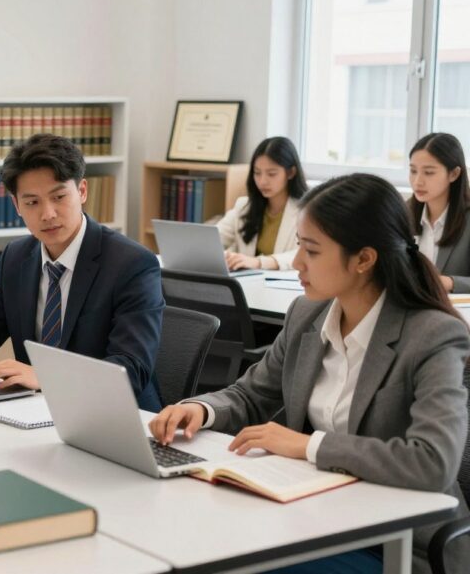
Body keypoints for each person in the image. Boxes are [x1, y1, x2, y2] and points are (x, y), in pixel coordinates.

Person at [150, 173, 470, 573]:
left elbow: (433, 461)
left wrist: (306, 445)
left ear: (364, 259)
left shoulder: (433, 334)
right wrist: (200, 409)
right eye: (299, 246)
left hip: (394, 542)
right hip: (310, 514)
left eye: (312, 251)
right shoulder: (307, 313)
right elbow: (253, 395)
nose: (297, 263)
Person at [0, 134, 164, 411]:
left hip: (114, 415)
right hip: (35, 409)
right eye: (32, 202)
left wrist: (47, 378)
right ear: (16, 206)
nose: (48, 214)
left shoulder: (132, 264)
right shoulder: (17, 256)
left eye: (59, 197)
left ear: (82, 191)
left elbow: (130, 369)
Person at [217, 136, 308, 271]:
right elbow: (214, 238)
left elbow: (305, 254)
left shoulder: (306, 211)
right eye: (257, 173)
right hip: (247, 283)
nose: (262, 181)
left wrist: (259, 262)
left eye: (271, 174)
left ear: (291, 172)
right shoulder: (244, 206)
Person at [408, 132, 470, 292]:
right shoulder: (402, 213)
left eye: (428, 172)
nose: (417, 181)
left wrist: (449, 283)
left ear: (454, 174)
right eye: (413, 171)